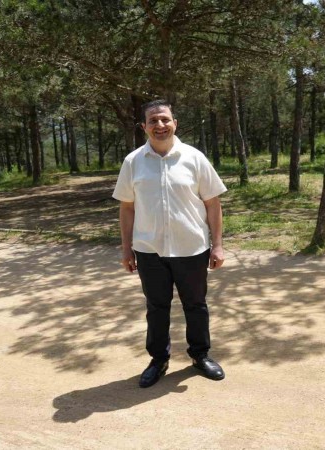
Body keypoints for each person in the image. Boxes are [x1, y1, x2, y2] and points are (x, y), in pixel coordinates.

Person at [112, 99, 227, 388]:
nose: (160, 125)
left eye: (165, 119)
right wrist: (126, 249)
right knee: (156, 308)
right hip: (149, 250)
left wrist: (217, 245)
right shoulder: (133, 162)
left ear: (175, 123)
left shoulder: (194, 158)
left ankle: (200, 356)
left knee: (196, 305)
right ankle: (158, 360)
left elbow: (213, 203)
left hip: (191, 248)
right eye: (153, 121)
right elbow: (127, 208)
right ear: (144, 127)